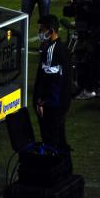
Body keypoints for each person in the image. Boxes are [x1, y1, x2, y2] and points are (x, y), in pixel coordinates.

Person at [33, 14, 72, 152]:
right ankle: (65, 169)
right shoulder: (62, 48)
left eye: (42, 29)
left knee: (50, 142)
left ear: (51, 30)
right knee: (60, 140)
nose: (40, 33)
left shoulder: (51, 50)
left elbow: (51, 81)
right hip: (61, 102)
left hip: (52, 105)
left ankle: (54, 169)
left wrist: (42, 102)